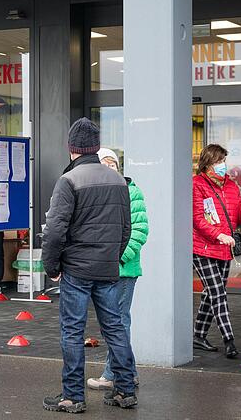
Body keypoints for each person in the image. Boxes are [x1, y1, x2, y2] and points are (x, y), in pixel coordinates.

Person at [41, 118, 136, 413]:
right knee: (115, 328)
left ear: (72, 148)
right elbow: (125, 228)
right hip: (107, 270)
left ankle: (73, 396)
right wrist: (114, 256)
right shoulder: (119, 180)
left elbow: (55, 230)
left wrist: (51, 266)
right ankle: (125, 389)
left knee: (72, 331)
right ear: (95, 146)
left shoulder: (69, 180)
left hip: (77, 270)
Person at [87, 148, 149, 391]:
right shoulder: (99, 194)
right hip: (105, 269)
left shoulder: (132, 192)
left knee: (118, 322)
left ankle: (112, 374)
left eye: (112, 163)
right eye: (104, 163)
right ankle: (128, 372)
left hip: (122, 270)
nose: (109, 167)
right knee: (116, 322)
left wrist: (117, 259)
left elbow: (139, 232)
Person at [192, 144, 241, 359]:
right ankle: (229, 340)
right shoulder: (197, 185)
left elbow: (235, 219)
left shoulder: (231, 186)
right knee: (218, 293)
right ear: (207, 163)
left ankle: (198, 336)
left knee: (211, 293)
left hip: (224, 248)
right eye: (218, 162)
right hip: (203, 247)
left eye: (223, 161)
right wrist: (218, 235)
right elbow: (199, 219)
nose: (222, 165)